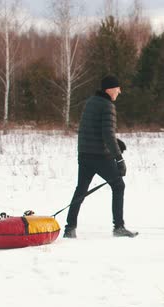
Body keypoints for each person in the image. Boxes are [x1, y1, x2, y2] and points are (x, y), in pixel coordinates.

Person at [63, 75, 138, 238]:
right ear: (110, 89)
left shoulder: (91, 102)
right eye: (117, 88)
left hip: (84, 154)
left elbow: (94, 129)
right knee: (118, 185)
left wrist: (117, 143)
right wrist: (119, 158)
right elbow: (107, 134)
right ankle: (119, 227)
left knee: (81, 190)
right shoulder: (107, 106)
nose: (119, 91)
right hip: (99, 156)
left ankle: (70, 228)